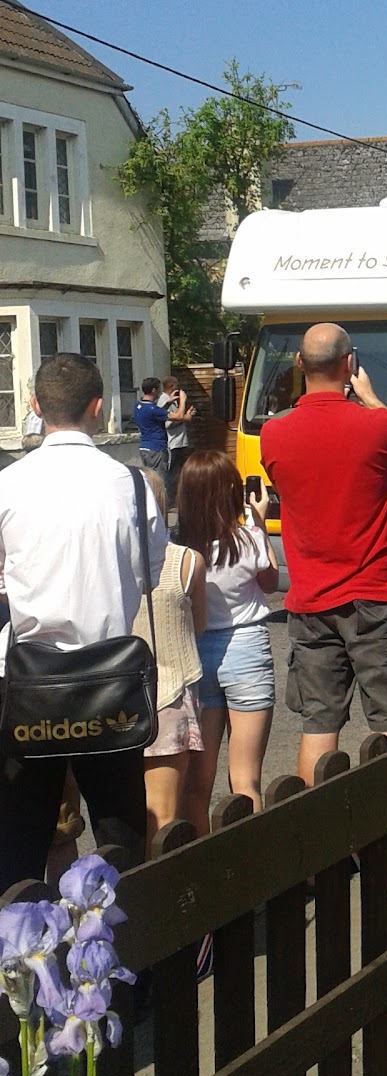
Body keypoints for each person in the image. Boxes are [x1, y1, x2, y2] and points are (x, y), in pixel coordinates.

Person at [0, 353, 167, 887]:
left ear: (34, 407)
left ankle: (21, 959)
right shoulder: (131, 484)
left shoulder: (8, 484)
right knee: (120, 836)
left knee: (20, 840)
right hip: (109, 680)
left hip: (30, 681)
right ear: (99, 407)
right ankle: (122, 957)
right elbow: (150, 573)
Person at [260, 323, 387, 788]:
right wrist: (374, 401)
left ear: (298, 364)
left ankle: (323, 853)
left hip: (310, 599)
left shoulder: (274, 434)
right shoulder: (375, 426)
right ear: (348, 364)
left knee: (318, 726)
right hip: (375, 596)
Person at [177, 451, 276, 825]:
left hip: (199, 652)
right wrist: (259, 523)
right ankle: (252, 866)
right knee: (246, 779)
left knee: (197, 785)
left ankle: (203, 868)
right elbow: (269, 582)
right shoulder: (248, 540)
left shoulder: (181, 551)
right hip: (247, 648)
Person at [133, 469, 207, 849]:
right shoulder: (188, 560)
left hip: (116, 694)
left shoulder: (109, 562)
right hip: (172, 693)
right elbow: (199, 625)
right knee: (163, 815)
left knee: (122, 817)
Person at [158, 375, 196, 503]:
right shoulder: (163, 401)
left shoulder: (171, 400)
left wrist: (186, 415)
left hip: (179, 441)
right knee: (172, 472)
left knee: (178, 471)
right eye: (177, 386)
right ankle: (171, 499)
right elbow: (168, 423)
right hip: (173, 442)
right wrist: (185, 418)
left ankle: (177, 497)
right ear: (172, 387)